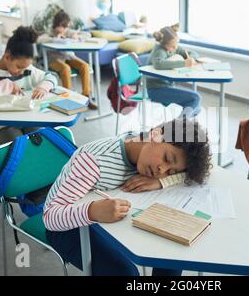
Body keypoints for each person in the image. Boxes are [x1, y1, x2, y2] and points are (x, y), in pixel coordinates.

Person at [44, 117, 212, 276]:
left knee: (172, 256)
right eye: (167, 158)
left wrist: (160, 183)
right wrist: (92, 211)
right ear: (154, 135)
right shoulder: (93, 162)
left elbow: (201, 172)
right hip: (67, 229)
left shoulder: (143, 146)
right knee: (124, 273)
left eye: (171, 172)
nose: (162, 171)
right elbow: (50, 217)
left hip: (108, 223)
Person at [0, 26, 57, 145]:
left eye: (25, 68)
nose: (22, 72)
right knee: (19, 145)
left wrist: (43, 87)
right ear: (7, 56)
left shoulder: (27, 69)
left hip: (29, 120)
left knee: (43, 140)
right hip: (3, 126)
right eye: (19, 67)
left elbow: (51, 77)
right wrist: (7, 85)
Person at [38, 10, 97, 109]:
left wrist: (77, 36)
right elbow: (39, 40)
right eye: (61, 26)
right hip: (54, 59)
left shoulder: (68, 31)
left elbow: (87, 35)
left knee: (85, 66)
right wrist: (55, 38)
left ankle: (86, 97)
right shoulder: (50, 32)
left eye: (65, 26)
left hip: (69, 57)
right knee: (66, 69)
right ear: (55, 24)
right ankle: (67, 99)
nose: (63, 29)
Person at [147, 23, 202, 117]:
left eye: (176, 44)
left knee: (196, 108)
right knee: (195, 98)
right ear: (164, 44)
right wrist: (184, 63)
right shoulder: (160, 51)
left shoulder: (173, 48)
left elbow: (193, 53)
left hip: (167, 87)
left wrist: (191, 59)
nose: (175, 48)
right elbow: (159, 64)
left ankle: (180, 125)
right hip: (156, 90)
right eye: (173, 46)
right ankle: (177, 126)